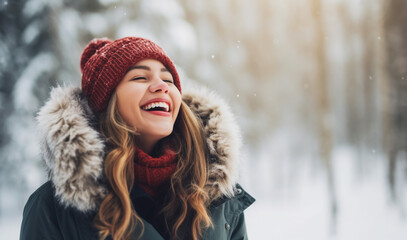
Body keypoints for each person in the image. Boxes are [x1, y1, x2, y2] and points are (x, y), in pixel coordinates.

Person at [19, 36, 255, 240]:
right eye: (140, 78)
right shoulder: (54, 207)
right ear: (107, 102)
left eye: (168, 80)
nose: (161, 86)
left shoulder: (219, 200)